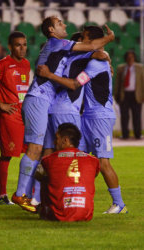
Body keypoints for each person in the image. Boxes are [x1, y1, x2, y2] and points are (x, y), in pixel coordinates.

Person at [12, 16, 114, 213]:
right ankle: (21, 194)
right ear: (51, 30)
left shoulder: (59, 50)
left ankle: (36, 198)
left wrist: (103, 56)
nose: (64, 24)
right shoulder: (57, 43)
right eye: (60, 23)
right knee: (36, 148)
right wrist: (109, 39)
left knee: (45, 151)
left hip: (44, 102)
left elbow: (92, 53)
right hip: (39, 99)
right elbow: (91, 47)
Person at [37, 25, 128, 214]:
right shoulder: (91, 59)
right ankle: (76, 194)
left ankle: (119, 204)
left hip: (101, 117)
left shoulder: (96, 63)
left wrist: (49, 75)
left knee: (103, 162)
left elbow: (75, 83)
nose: (83, 43)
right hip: (87, 116)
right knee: (79, 158)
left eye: (86, 39)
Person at [0, 31, 30, 205]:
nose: (22, 48)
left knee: (32, 152)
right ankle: (2, 196)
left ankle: (26, 192)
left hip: (25, 114)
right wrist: (0, 104)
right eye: (18, 45)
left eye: (24, 44)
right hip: (10, 115)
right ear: (10, 47)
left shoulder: (26, 64)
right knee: (7, 155)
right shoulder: (3, 64)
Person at [36, 123, 99, 221]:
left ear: (65, 140)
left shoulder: (48, 160)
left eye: (56, 138)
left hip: (59, 214)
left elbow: (38, 175)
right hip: (85, 215)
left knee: (43, 176)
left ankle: (45, 209)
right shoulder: (93, 160)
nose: (54, 142)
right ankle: (80, 206)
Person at [114, 50, 144, 139]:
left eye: (131, 57)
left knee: (137, 116)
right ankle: (125, 134)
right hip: (125, 95)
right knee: (124, 116)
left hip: (136, 95)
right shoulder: (121, 68)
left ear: (134, 58)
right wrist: (116, 95)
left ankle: (137, 134)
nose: (130, 59)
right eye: (128, 57)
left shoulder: (140, 68)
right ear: (126, 58)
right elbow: (117, 83)